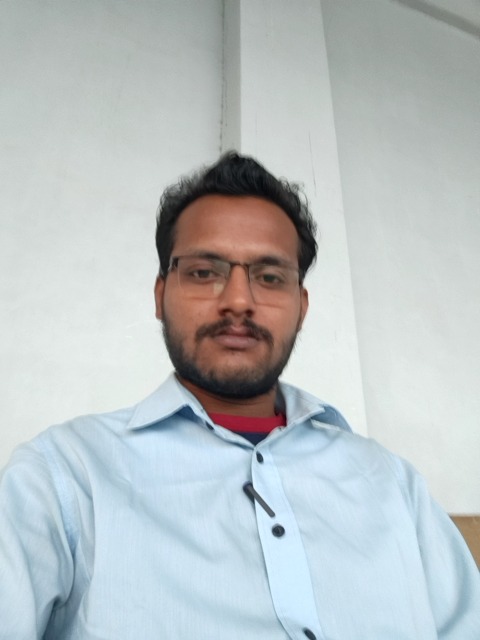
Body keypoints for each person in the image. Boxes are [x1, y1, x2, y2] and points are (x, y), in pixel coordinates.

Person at [0, 153, 479, 640]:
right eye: (203, 272)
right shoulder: (64, 476)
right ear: (160, 295)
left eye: (269, 277)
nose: (237, 300)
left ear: (301, 307)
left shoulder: (392, 484)